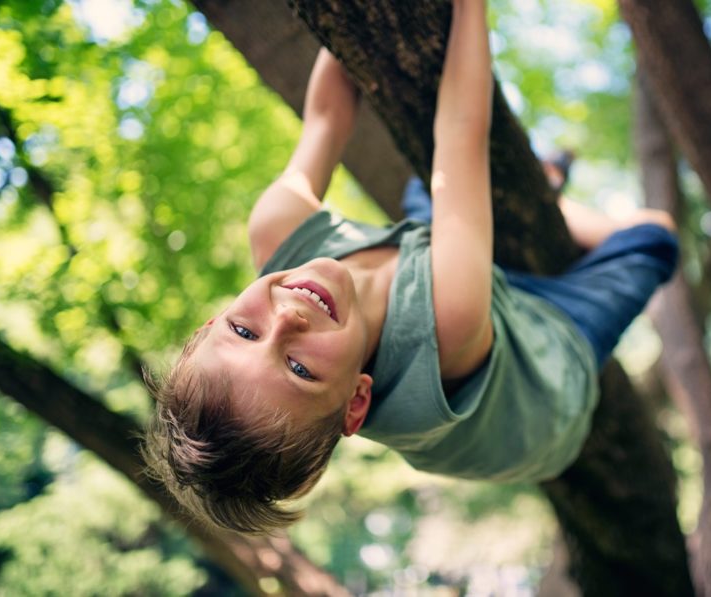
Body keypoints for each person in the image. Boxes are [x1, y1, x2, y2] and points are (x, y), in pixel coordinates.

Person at [144, 0, 678, 535]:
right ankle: (546, 197)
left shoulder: (277, 231)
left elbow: (327, 118)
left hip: (454, 278)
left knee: (430, 187)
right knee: (654, 236)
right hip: (543, 381)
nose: (286, 320)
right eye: (300, 369)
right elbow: (461, 132)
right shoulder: (449, 321)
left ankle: (527, 193)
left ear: (211, 323)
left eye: (243, 330)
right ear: (357, 401)